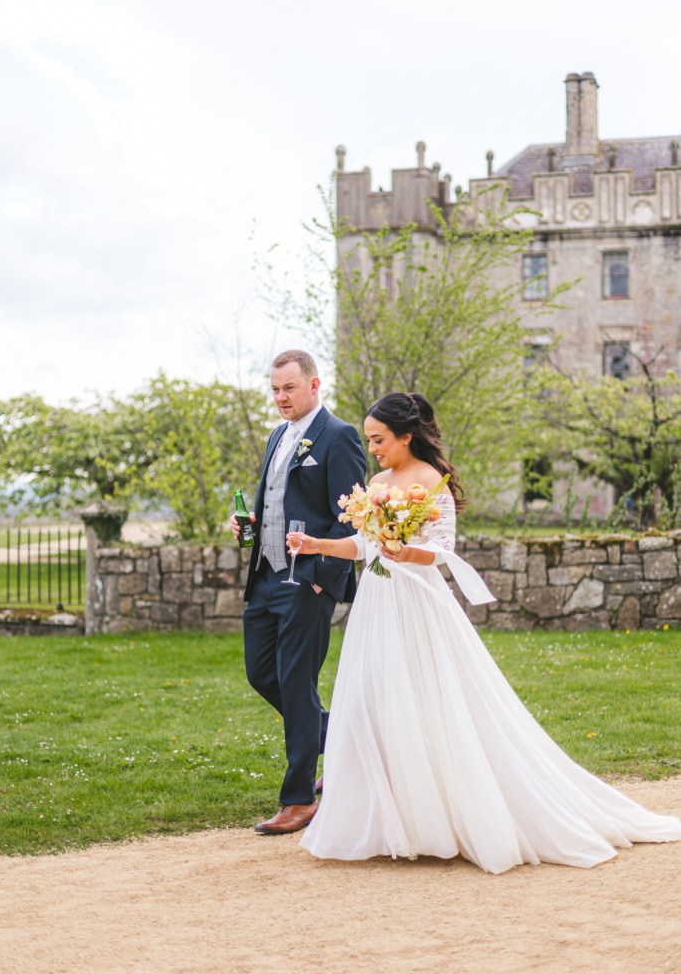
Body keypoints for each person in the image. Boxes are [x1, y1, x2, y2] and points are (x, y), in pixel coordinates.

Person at [286, 391, 681, 873]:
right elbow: (364, 545)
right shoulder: (379, 481)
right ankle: (389, 822)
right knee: (375, 699)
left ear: (406, 436)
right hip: (378, 604)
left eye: (379, 439)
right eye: (369, 441)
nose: (373, 449)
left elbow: (442, 550)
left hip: (418, 604)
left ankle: (444, 819)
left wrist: (408, 553)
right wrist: (315, 544)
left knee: (430, 700)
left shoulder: (433, 482)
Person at [231, 349, 365, 836]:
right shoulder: (276, 436)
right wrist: (249, 525)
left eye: (288, 388)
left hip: (306, 582)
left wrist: (319, 575)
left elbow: (351, 513)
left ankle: (298, 798)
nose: (280, 397)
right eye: (274, 389)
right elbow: (277, 498)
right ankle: (348, 748)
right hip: (266, 576)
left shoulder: (340, 436)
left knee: (295, 680)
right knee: (261, 672)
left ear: (314, 385)